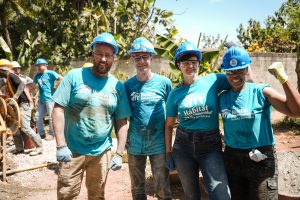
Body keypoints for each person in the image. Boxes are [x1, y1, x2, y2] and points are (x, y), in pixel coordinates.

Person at [52, 32, 132, 200]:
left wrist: (118, 153)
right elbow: (58, 108)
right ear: (92, 54)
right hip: (72, 150)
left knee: (97, 195)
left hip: (101, 152)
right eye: (99, 54)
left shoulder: (117, 86)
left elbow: (121, 121)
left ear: (113, 58)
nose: (103, 59)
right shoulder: (74, 76)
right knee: (66, 195)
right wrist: (60, 145)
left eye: (108, 55)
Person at [219, 46, 300, 200]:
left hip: (260, 158)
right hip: (232, 159)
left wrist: (284, 79)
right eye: (230, 71)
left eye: (238, 70)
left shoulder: (261, 92)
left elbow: (296, 111)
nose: (234, 75)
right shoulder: (223, 97)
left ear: (246, 69)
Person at [165, 41, 231, 200]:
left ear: (199, 64)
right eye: (185, 62)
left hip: (210, 146)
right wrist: (168, 153)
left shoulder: (213, 80)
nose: (190, 66)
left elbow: (237, 77)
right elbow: (168, 126)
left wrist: (236, 51)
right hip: (183, 147)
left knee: (221, 195)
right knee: (191, 196)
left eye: (194, 62)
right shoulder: (175, 94)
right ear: (178, 65)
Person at [124, 37, 172, 200]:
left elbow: (172, 114)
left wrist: (169, 144)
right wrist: (123, 138)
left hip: (158, 144)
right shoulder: (128, 85)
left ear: (151, 57)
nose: (142, 61)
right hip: (135, 145)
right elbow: (122, 116)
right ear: (133, 59)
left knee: (162, 188)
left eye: (145, 57)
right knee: (137, 189)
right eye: (137, 57)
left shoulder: (164, 83)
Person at [0, 59, 43, 156]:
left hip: (24, 104)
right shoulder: (4, 78)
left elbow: (22, 84)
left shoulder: (11, 75)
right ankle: (19, 148)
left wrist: (15, 96)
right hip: (15, 105)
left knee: (25, 127)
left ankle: (40, 147)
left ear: (2, 70)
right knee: (13, 127)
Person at [33, 58, 63, 140]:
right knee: (38, 117)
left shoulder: (50, 73)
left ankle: (51, 134)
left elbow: (61, 78)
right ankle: (41, 133)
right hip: (41, 100)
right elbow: (34, 86)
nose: (39, 67)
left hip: (50, 99)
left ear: (46, 65)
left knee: (51, 117)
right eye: (37, 66)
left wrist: (56, 86)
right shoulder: (37, 76)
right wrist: (34, 95)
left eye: (41, 65)